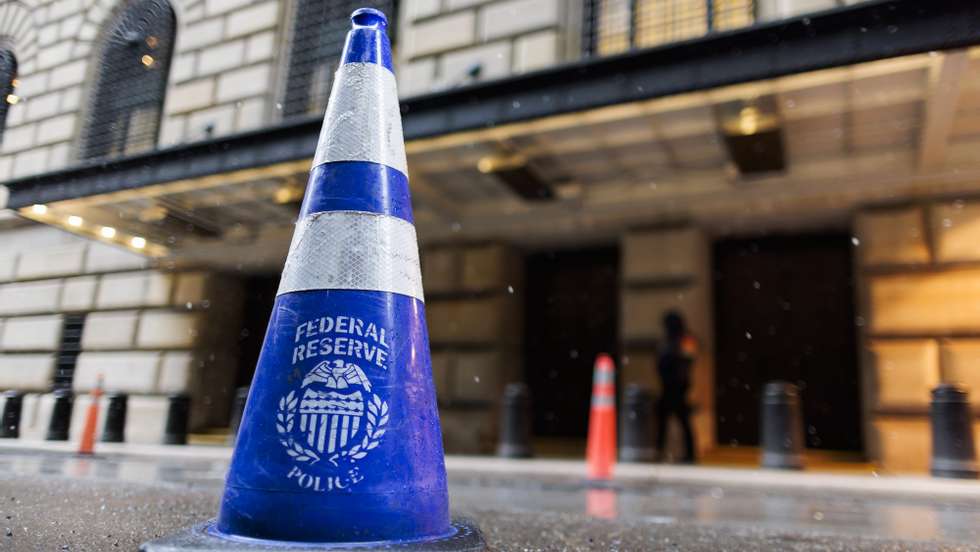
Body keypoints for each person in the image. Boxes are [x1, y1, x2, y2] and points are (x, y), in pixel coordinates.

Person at [655, 310, 697, 463]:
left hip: (677, 388)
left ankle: (689, 455)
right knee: (666, 420)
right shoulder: (669, 340)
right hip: (668, 386)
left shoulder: (684, 340)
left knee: (681, 421)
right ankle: (661, 451)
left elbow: (687, 362)